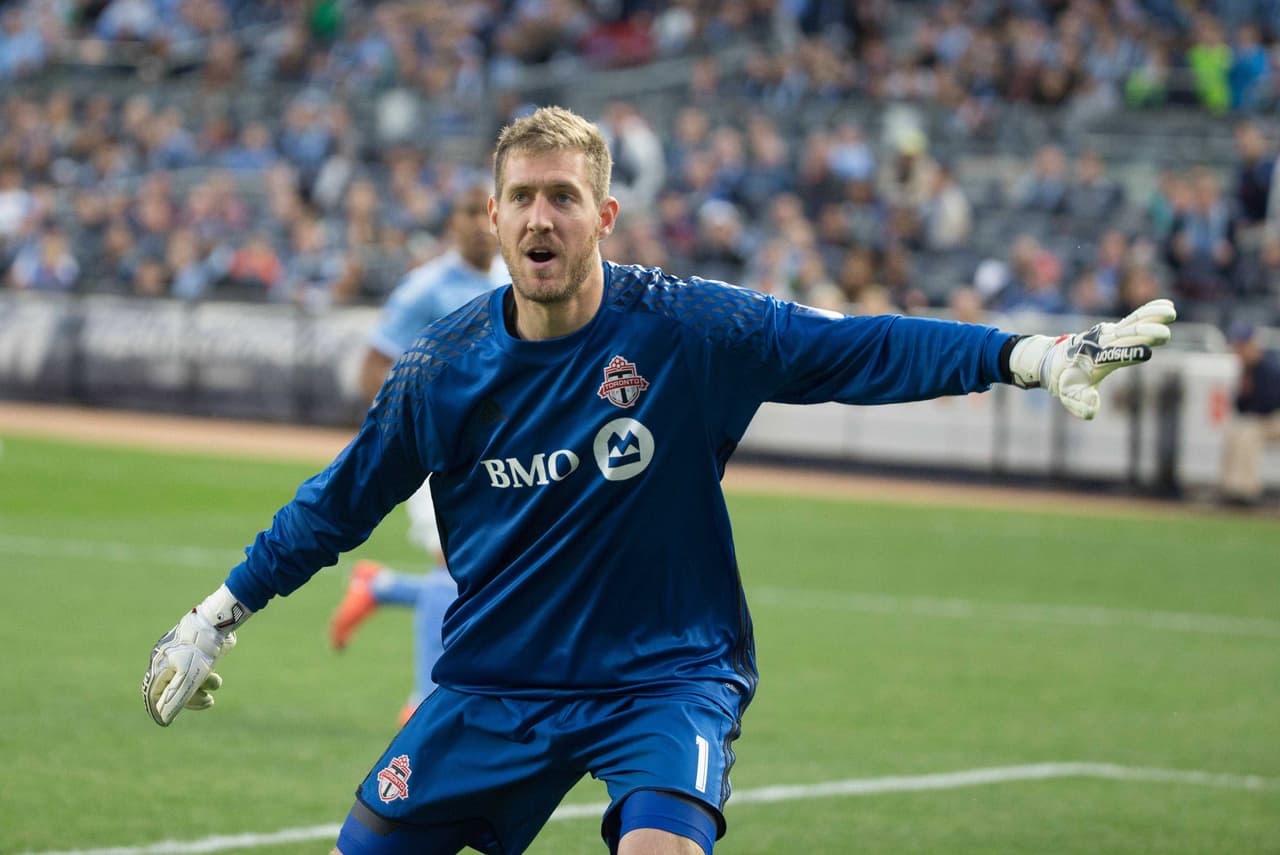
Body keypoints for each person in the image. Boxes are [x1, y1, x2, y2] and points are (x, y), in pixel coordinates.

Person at [143, 106, 1177, 855]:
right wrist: (215, 614)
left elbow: (853, 348)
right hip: (498, 683)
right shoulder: (440, 369)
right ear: (492, 219)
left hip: (663, 676)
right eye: (521, 199)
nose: (539, 219)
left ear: (606, 215)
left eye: (562, 198)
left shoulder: (687, 328)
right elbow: (338, 501)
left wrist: (1027, 357)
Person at [330, 183, 508, 725]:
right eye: (467, 212)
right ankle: (423, 701)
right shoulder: (425, 289)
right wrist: (424, 426)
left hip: (501, 457)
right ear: (451, 222)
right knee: (451, 568)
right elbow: (372, 369)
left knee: (489, 576)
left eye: (487, 212)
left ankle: (378, 586)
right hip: (441, 457)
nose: (480, 222)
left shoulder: (512, 280)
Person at [1219, 321, 1280, 506]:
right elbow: (1241, 407)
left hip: (1274, 418)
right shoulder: (1246, 370)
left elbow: (1270, 404)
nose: (1239, 350)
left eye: (1242, 345)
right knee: (1235, 430)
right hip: (1263, 420)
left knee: (1248, 433)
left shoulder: (1269, 367)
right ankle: (1230, 489)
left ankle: (1247, 491)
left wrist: (1250, 402)